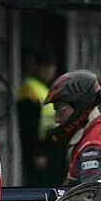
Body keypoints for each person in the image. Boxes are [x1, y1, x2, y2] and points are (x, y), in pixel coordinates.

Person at [17, 52, 65, 186]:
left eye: (51, 66)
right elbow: (27, 126)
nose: (49, 70)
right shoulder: (30, 89)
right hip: (40, 149)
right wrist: (36, 153)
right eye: (45, 67)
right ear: (37, 68)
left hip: (53, 146)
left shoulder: (49, 87)